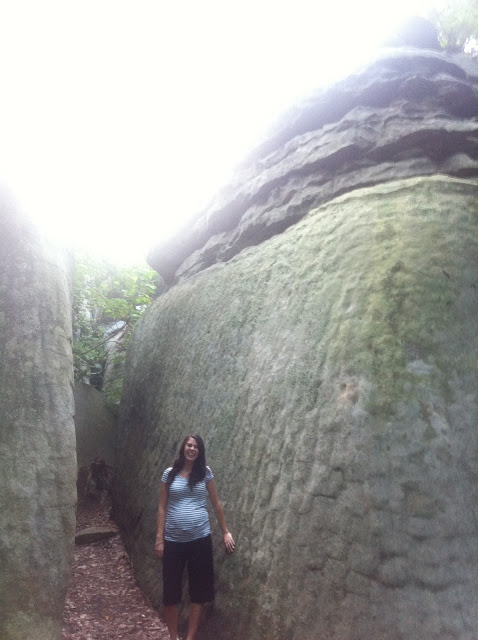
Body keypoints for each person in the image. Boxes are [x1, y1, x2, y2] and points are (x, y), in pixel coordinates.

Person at [155, 433, 235, 640]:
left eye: (196, 447)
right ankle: (173, 636)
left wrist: (225, 531)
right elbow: (162, 507)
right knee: (170, 593)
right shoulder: (169, 474)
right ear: (183, 448)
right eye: (189, 445)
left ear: (200, 452)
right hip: (173, 541)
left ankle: (190, 638)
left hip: (200, 540)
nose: (192, 449)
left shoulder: (205, 473)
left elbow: (216, 503)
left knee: (198, 593)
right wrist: (159, 539)